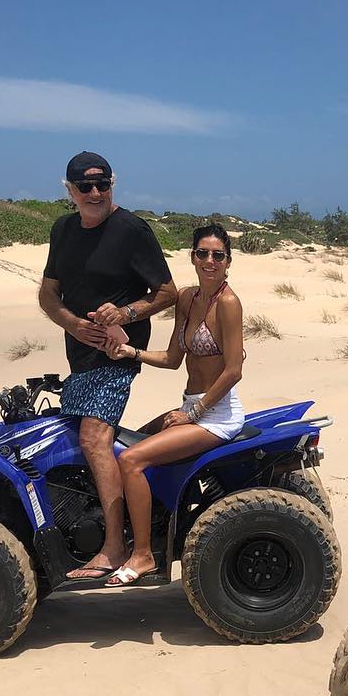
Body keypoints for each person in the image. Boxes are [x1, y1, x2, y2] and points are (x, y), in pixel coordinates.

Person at [37, 151, 178, 581]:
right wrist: (75, 326)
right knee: (78, 441)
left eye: (104, 185)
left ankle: (117, 548)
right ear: (70, 191)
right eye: (86, 187)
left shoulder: (132, 230)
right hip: (79, 356)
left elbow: (168, 292)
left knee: (94, 437)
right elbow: (48, 296)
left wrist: (127, 313)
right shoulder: (63, 230)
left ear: (113, 184)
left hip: (119, 356)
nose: (95, 193)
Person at [100, 224, 247, 587]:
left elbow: (233, 371)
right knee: (122, 439)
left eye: (218, 255)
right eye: (202, 253)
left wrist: (191, 415)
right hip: (191, 405)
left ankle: (143, 554)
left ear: (228, 262)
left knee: (131, 460)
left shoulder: (228, 303)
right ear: (192, 257)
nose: (209, 261)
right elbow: (171, 358)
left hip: (216, 416)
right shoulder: (187, 298)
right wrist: (130, 352)